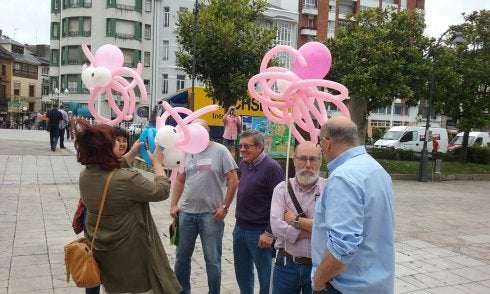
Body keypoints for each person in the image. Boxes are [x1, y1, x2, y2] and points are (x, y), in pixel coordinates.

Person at [75, 119, 182, 293]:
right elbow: (161, 191)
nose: (119, 143)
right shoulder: (126, 179)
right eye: (114, 141)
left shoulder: (86, 174)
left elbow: (109, 171)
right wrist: (157, 163)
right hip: (132, 255)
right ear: (105, 149)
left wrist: (132, 152)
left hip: (105, 253)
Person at [312, 117, 395, 294]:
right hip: (376, 284)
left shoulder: (344, 176)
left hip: (345, 286)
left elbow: (343, 245)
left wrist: (318, 281)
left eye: (319, 144)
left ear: (326, 143)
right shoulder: (376, 168)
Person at [170, 119, 238, 294]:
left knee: (213, 260)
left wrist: (226, 207)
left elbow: (233, 180)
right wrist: (173, 204)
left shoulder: (221, 150)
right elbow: (180, 179)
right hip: (186, 214)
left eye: (200, 130)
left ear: (207, 132)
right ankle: (183, 291)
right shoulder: (187, 151)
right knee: (182, 258)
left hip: (211, 215)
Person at [233, 129, 285, 294]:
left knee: (265, 278)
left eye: (247, 146)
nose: (242, 150)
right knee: (242, 273)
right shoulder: (244, 164)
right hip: (239, 228)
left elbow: (280, 203)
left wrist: (269, 232)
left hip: (259, 232)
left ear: (260, 147)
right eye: (241, 146)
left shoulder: (272, 168)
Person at [270, 141, 326, 294]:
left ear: (320, 162)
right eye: (302, 158)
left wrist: (296, 221)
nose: (308, 165)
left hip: (319, 267)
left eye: (313, 159)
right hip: (287, 264)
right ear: (294, 161)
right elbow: (277, 228)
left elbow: (332, 227)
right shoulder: (281, 190)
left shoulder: (329, 189)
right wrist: (314, 230)